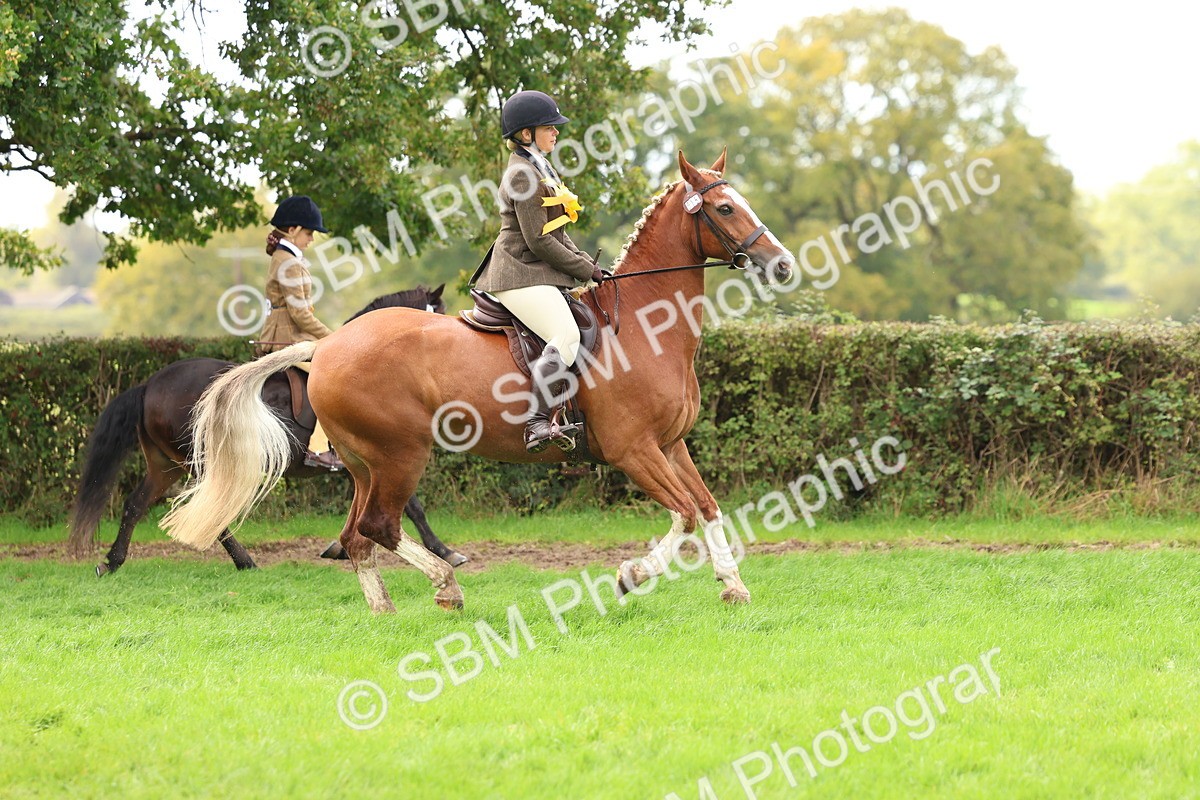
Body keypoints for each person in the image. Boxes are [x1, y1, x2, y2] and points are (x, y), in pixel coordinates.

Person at [471, 90, 606, 453]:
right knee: (566, 335)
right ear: (526, 133)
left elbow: (558, 234)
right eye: (550, 127)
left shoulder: (541, 167)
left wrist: (591, 266)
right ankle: (535, 423)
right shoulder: (521, 175)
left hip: (535, 271)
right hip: (518, 273)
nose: (557, 132)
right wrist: (585, 271)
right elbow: (539, 242)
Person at [255, 195, 343, 470]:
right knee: (328, 377)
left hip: (290, 333)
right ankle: (317, 448)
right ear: (292, 230)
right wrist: (334, 337)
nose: (312, 239)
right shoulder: (288, 262)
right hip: (287, 339)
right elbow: (300, 315)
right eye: (308, 232)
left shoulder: (287, 257)